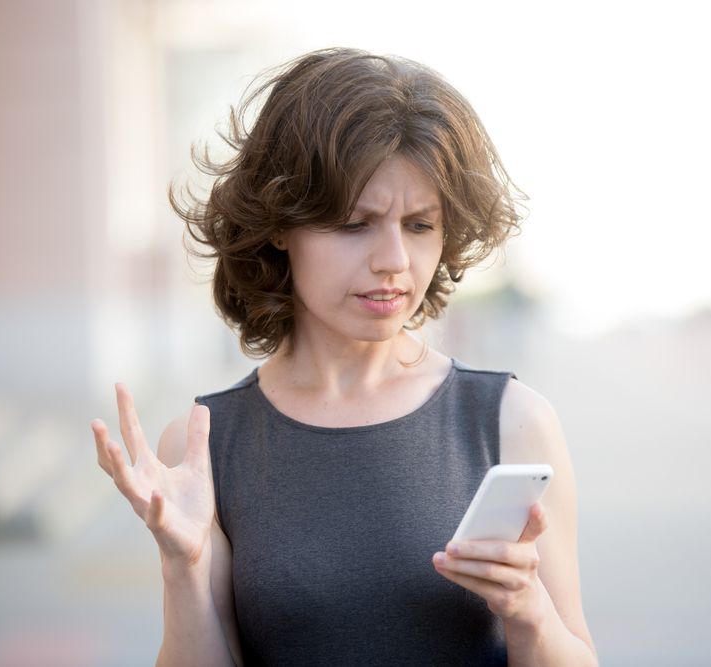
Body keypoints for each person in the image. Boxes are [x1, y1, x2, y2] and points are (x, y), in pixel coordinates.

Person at [92, 48, 597, 666]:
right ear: (280, 223)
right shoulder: (201, 446)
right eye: (356, 223)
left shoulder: (513, 421)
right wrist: (184, 564)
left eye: (419, 225)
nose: (394, 261)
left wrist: (530, 613)